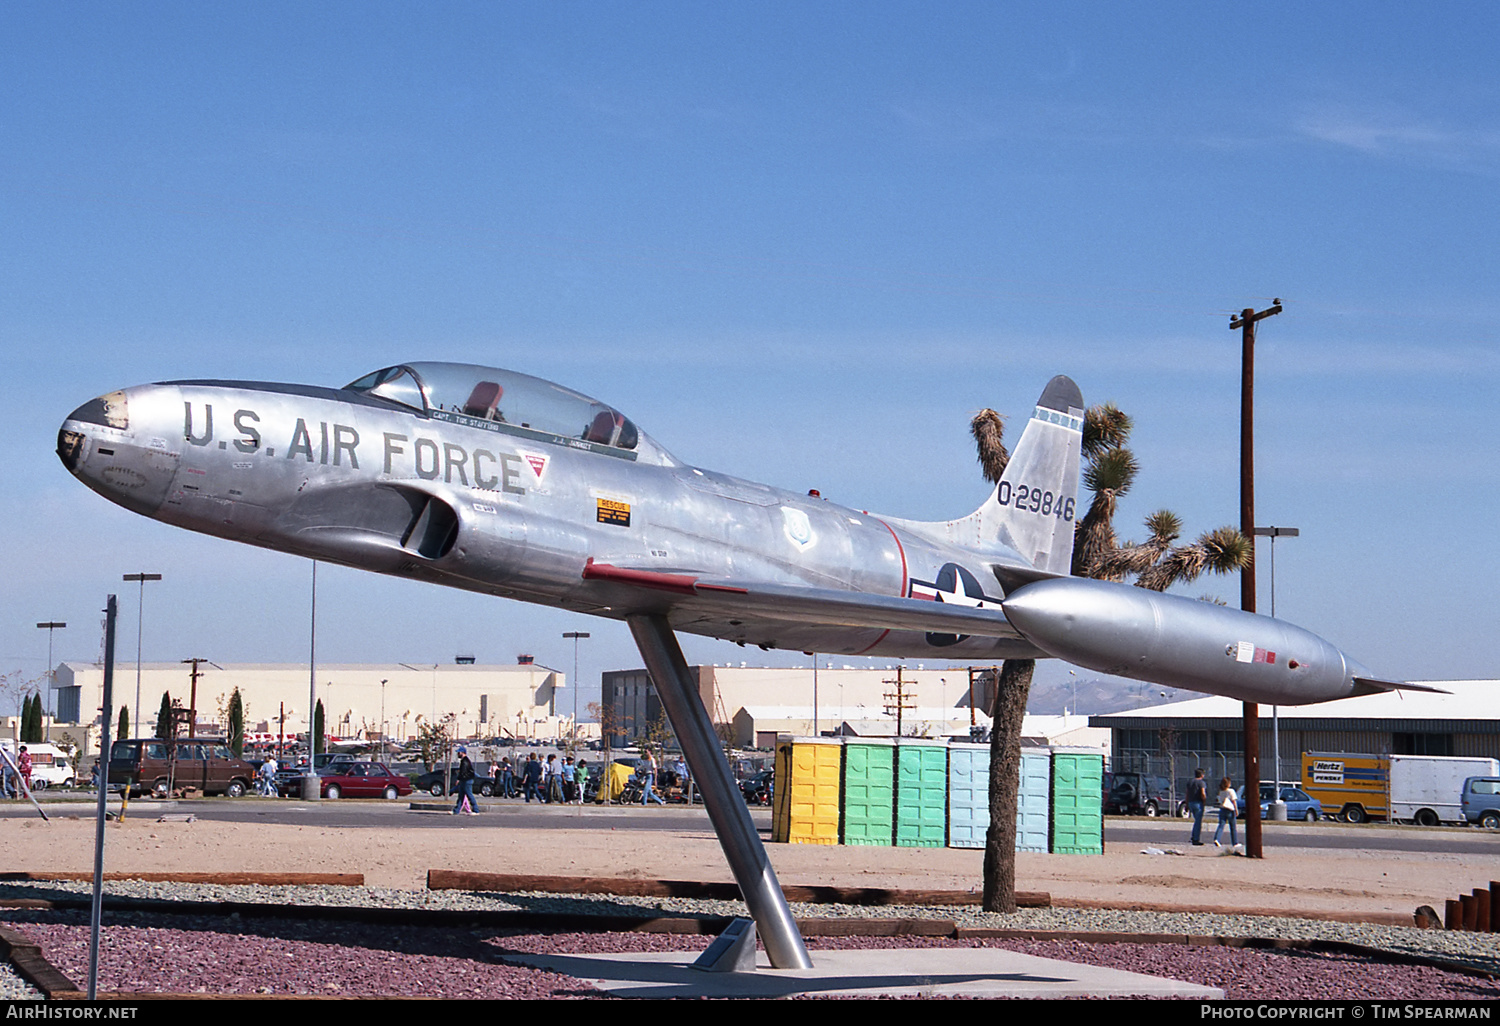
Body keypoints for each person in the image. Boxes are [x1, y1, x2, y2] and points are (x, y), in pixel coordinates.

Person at [1213, 776, 1239, 848]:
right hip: (1230, 809)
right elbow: (1234, 801)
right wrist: (1236, 810)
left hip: (1222, 809)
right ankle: (1235, 842)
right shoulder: (1231, 791)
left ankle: (1217, 838)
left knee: (1221, 825)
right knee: (1233, 827)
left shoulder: (1221, 791)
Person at [1186, 768, 1208, 846]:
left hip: (1191, 802)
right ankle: (1195, 838)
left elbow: (1187, 793)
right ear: (1202, 775)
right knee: (1198, 822)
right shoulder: (1201, 783)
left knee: (1196, 821)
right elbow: (1202, 793)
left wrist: (1186, 803)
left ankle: (1194, 836)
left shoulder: (1190, 782)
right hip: (1198, 803)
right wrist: (1204, 801)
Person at [452, 746, 477, 815]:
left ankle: (475, 810)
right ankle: (456, 810)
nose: (458, 754)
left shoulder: (465, 761)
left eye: (459, 752)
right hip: (465, 780)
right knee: (461, 796)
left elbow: (463, 771)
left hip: (466, 780)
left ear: (462, 753)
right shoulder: (464, 760)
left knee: (469, 795)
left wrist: (459, 779)